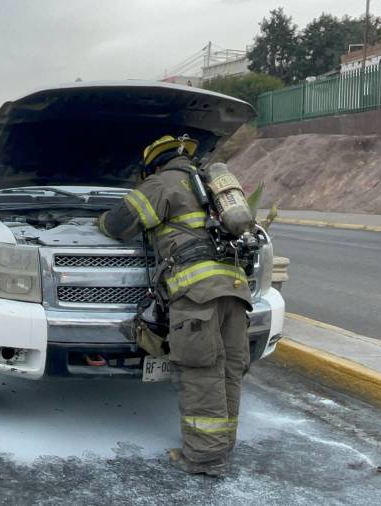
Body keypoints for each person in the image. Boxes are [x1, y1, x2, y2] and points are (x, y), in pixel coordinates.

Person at [97, 134, 253, 477]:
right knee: (228, 370)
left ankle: (204, 458)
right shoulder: (211, 189)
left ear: (153, 163)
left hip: (196, 294)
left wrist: (98, 221)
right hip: (236, 290)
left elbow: (118, 224)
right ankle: (222, 448)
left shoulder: (162, 183)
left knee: (201, 371)